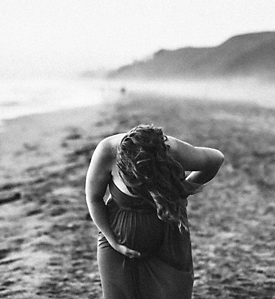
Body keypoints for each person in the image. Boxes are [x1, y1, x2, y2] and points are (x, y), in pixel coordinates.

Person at [85, 124, 225, 299]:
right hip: (115, 239)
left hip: (169, 240)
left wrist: (183, 190)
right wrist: (112, 241)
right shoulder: (107, 151)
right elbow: (94, 198)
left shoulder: (173, 151)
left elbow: (216, 159)